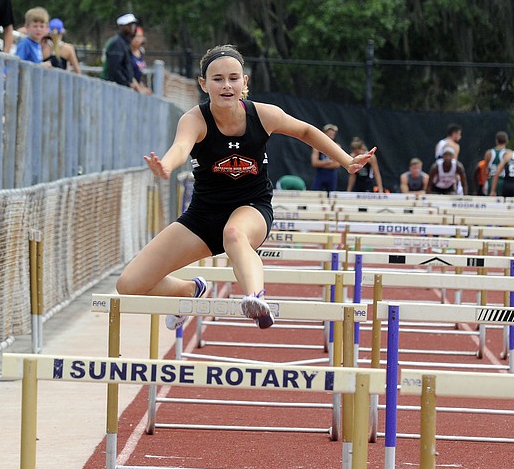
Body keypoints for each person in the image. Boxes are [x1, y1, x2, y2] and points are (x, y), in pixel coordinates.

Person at [114, 45, 376, 330]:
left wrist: (347, 161)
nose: (226, 85)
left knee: (234, 233)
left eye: (233, 78)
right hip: (204, 216)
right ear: (203, 84)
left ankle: (255, 297)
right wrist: (166, 165)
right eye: (217, 79)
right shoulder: (195, 120)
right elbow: (181, 146)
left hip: (251, 208)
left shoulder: (263, 115)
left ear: (244, 82)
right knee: (129, 284)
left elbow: (305, 131)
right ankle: (189, 289)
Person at [103, 12, 151, 94]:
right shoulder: (117, 44)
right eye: (129, 25)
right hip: (116, 89)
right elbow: (115, 69)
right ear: (122, 27)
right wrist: (127, 84)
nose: (132, 28)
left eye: (133, 25)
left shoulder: (125, 43)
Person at [310, 123, 340, 192]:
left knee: (331, 195)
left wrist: (321, 164)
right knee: (315, 193)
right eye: (329, 133)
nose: (331, 135)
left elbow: (336, 164)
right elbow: (314, 163)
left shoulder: (337, 146)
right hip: (320, 174)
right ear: (324, 133)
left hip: (331, 175)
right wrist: (328, 162)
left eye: (333, 133)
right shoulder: (317, 145)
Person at [480, 131, 508, 196]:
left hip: (491, 180)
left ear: (496, 140)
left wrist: (484, 183)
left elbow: (484, 170)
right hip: (503, 180)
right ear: (506, 141)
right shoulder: (508, 153)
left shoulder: (489, 153)